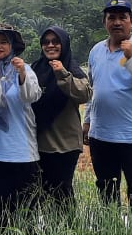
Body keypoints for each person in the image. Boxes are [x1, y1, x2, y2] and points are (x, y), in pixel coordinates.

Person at [85, 0, 132, 210]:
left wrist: (131, 58)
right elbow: (93, 89)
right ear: (105, 22)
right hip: (101, 136)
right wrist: (88, 121)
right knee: (106, 190)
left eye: (122, 18)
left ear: (131, 22)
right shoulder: (96, 51)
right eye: (112, 18)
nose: (117, 22)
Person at [0, 23, 42, 225]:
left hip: (22, 150)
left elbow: (32, 96)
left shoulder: (25, 68)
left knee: (25, 214)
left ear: (12, 45)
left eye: (3, 42)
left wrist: (21, 73)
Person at [30, 26, 91, 207]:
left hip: (64, 145)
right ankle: (47, 232)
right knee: (39, 192)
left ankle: (67, 231)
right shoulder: (36, 68)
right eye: (46, 42)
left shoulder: (72, 69)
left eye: (55, 42)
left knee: (61, 193)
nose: (50, 46)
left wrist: (62, 74)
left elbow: (84, 94)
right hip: (38, 142)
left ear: (64, 45)